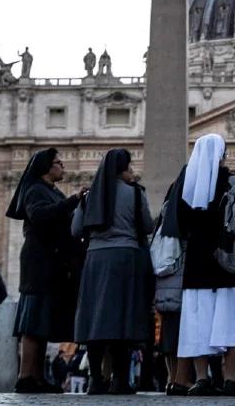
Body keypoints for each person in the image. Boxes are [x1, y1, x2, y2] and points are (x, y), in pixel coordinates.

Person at [161, 133, 235, 396]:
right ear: (220, 155)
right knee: (232, 322)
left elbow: (177, 226)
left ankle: (202, 378)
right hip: (231, 262)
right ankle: (230, 379)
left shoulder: (183, 186)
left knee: (198, 322)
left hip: (198, 263)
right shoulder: (232, 182)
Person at [72, 148, 155, 395]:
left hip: (96, 260)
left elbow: (76, 230)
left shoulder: (89, 196)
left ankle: (96, 379)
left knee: (96, 319)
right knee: (123, 319)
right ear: (122, 169)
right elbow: (147, 226)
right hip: (126, 258)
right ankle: (120, 380)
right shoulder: (135, 194)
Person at [6, 147, 88, 393]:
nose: (62, 166)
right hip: (39, 262)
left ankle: (37, 376)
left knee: (42, 322)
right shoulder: (35, 190)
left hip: (52, 262)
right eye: (58, 163)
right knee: (33, 321)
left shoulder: (49, 190)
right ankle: (25, 376)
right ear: (46, 168)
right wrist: (72, 200)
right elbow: (40, 216)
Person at [154, 181, 192, 396]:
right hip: (181, 274)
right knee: (182, 329)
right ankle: (180, 378)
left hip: (164, 277)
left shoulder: (166, 210)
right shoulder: (184, 208)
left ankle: (171, 377)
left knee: (168, 328)